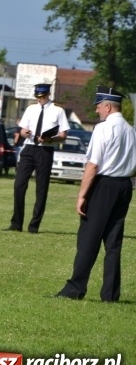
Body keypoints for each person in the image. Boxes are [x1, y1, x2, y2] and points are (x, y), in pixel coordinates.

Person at [56, 87, 136, 302]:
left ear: (108, 106)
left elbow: (93, 165)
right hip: (124, 185)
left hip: (104, 184)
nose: (97, 110)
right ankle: (110, 294)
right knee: (113, 242)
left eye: (99, 106)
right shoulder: (131, 130)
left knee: (88, 239)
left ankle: (75, 287)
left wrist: (82, 194)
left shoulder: (103, 128)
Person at [7, 83, 69, 233]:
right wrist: (24, 132)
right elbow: (21, 130)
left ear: (48, 95)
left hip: (45, 150)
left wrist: (50, 139)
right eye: (37, 97)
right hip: (29, 148)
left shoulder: (58, 110)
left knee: (41, 189)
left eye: (42, 97)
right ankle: (16, 223)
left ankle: (34, 226)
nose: (39, 99)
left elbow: (63, 135)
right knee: (19, 185)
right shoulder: (31, 108)